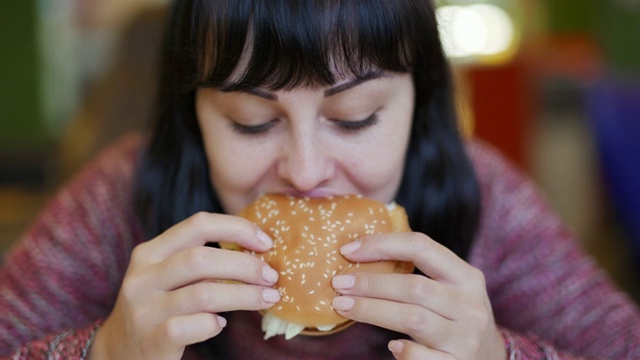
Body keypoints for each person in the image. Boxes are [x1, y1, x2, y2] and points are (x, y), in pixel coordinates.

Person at [1, 0, 639, 359]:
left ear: (423, 106)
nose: (305, 173)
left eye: (355, 119)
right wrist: (100, 355)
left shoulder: (489, 199)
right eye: (251, 122)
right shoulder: (117, 199)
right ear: (191, 115)